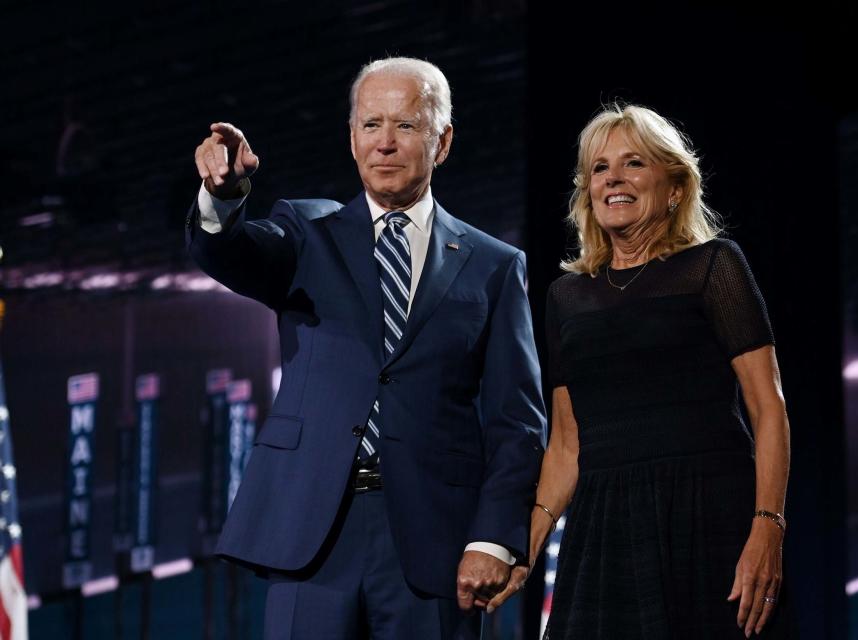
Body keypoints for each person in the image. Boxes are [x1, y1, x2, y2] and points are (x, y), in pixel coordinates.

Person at [186, 57, 546, 640]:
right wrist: (222, 198)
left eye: (405, 126)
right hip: (312, 529)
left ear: (443, 140)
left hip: (433, 540)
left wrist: (493, 537)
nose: (385, 143)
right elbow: (230, 254)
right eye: (371, 125)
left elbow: (517, 421)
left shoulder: (494, 267)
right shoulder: (306, 233)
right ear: (351, 139)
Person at [487, 104, 791, 638]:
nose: (614, 180)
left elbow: (769, 410)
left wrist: (768, 527)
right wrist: (523, 548)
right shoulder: (566, 297)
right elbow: (565, 445)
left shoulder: (713, 267)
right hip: (605, 527)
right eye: (600, 168)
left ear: (673, 187)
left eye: (633, 164)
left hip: (707, 516)